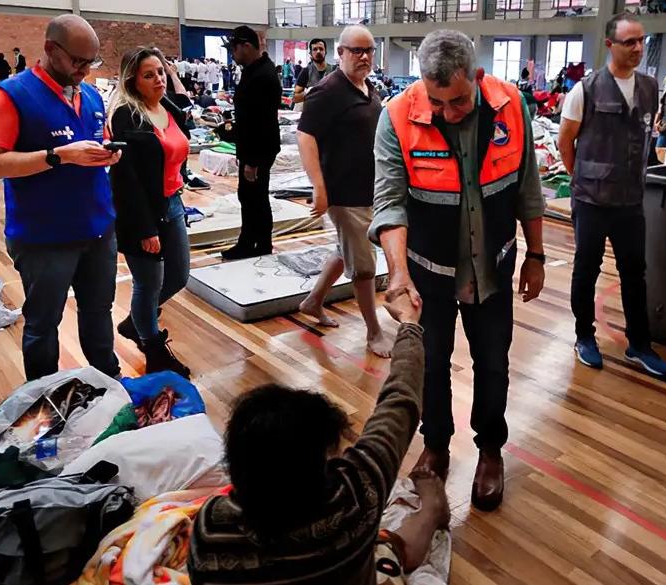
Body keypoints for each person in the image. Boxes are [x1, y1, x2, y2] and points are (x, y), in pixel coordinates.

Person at [370, 29, 546, 510]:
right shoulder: (397, 118)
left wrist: (536, 254)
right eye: (437, 101)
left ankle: (490, 449)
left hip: (493, 269)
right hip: (429, 272)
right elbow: (388, 203)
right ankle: (436, 444)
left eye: (459, 101)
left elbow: (528, 183)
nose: (447, 113)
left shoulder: (511, 104)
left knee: (493, 364)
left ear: (478, 77)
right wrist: (398, 273)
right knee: (431, 365)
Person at [190, 287, 451, 584]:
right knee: (388, 548)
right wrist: (408, 323)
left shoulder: (211, 528)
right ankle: (431, 508)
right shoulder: (355, 494)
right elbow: (401, 401)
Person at [0, 14, 123, 381]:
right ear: (49, 50)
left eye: (92, 62)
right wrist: (58, 155)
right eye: (77, 61)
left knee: (98, 313)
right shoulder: (11, 95)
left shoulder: (90, 96)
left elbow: (96, 141)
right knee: (43, 324)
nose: (85, 71)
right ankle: (43, 396)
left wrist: (108, 154)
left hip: (97, 229)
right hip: (44, 237)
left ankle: (109, 382)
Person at [557, 13, 666, 378]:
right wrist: (581, 179)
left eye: (642, 41)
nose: (638, 48)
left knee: (635, 273)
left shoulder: (651, 88)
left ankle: (639, 344)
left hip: (631, 202)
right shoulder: (586, 90)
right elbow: (565, 142)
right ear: (610, 45)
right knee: (586, 271)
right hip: (591, 201)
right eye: (629, 42)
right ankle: (583, 337)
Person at [295, 26, 391, 358]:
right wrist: (319, 187)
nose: (364, 56)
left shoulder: (367, 87)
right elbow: (305, 137)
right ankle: (374, 333)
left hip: (369, 189)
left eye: (369, 50)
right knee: (364, 266)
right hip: (344, 192)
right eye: (356, 50)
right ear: (341, 53)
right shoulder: (327, 91)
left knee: (344, 249)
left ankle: (313, 301)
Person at [106, 47, 194, 377]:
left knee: (178, 275)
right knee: (148, 283)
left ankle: (137, 322)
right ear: (133, 81)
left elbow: (181, 135)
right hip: (140, 213)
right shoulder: (127, 116)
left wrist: (172, 78)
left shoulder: (165, 107)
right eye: (149, 75)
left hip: (172, 203)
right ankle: (154, 351)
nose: (158, 79)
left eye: (160, 72)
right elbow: (126, 181)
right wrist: (146, 229)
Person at [219, 26, 281, 260]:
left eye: (234, 49)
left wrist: (252, 162)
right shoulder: (253, 70)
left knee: (254, 197)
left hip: (259, 149)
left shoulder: (262, 75)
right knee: (251, 197)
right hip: (253, 147)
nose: (232, 54)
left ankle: (255, 244)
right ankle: (255, 242)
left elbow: (261, 122)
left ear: (246, 46)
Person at [293, 38, 333, 106]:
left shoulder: (334, 71)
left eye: (321, 49)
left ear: (325, 51)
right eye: (315, 49)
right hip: (312, 112)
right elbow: (295, 98)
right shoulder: (306, 72)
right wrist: (309, 93)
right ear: (310, 53)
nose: (318, 51)